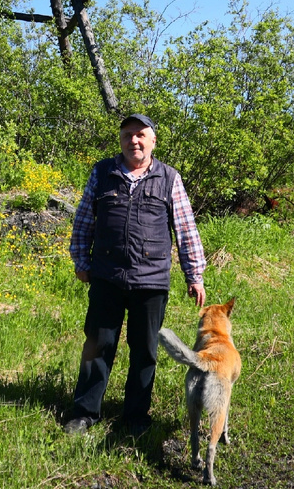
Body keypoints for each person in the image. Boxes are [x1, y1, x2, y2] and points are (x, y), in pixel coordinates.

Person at [63, 113, 206, 436]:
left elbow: (185, 229)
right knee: (98, 344)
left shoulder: (169, 178)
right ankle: (84, 413)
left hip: (151, 280)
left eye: (141, 135)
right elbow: (84, 220)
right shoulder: (103, 172)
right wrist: (81, 261)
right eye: (128, 135)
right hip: (106, 276)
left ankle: (136, 417)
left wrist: (194, 275)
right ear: (121, 140)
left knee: (144, 352)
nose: (134, 141)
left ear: (153, 140)